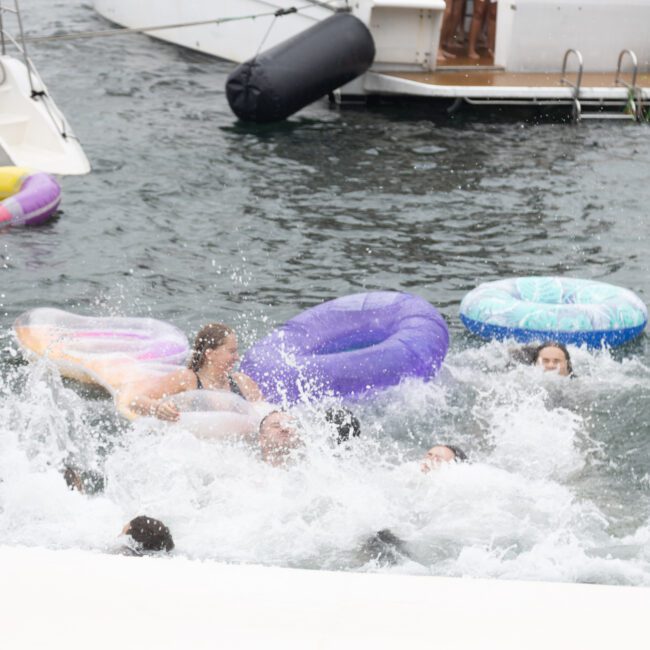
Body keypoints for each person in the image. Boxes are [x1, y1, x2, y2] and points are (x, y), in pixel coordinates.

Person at [128, 323, 263, 421]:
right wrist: (158, 408)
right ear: (210, 354)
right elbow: (135, 401)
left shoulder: (243, 383)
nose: (237, 357)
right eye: (231, 351)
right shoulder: (187, 379)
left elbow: (264, 414)